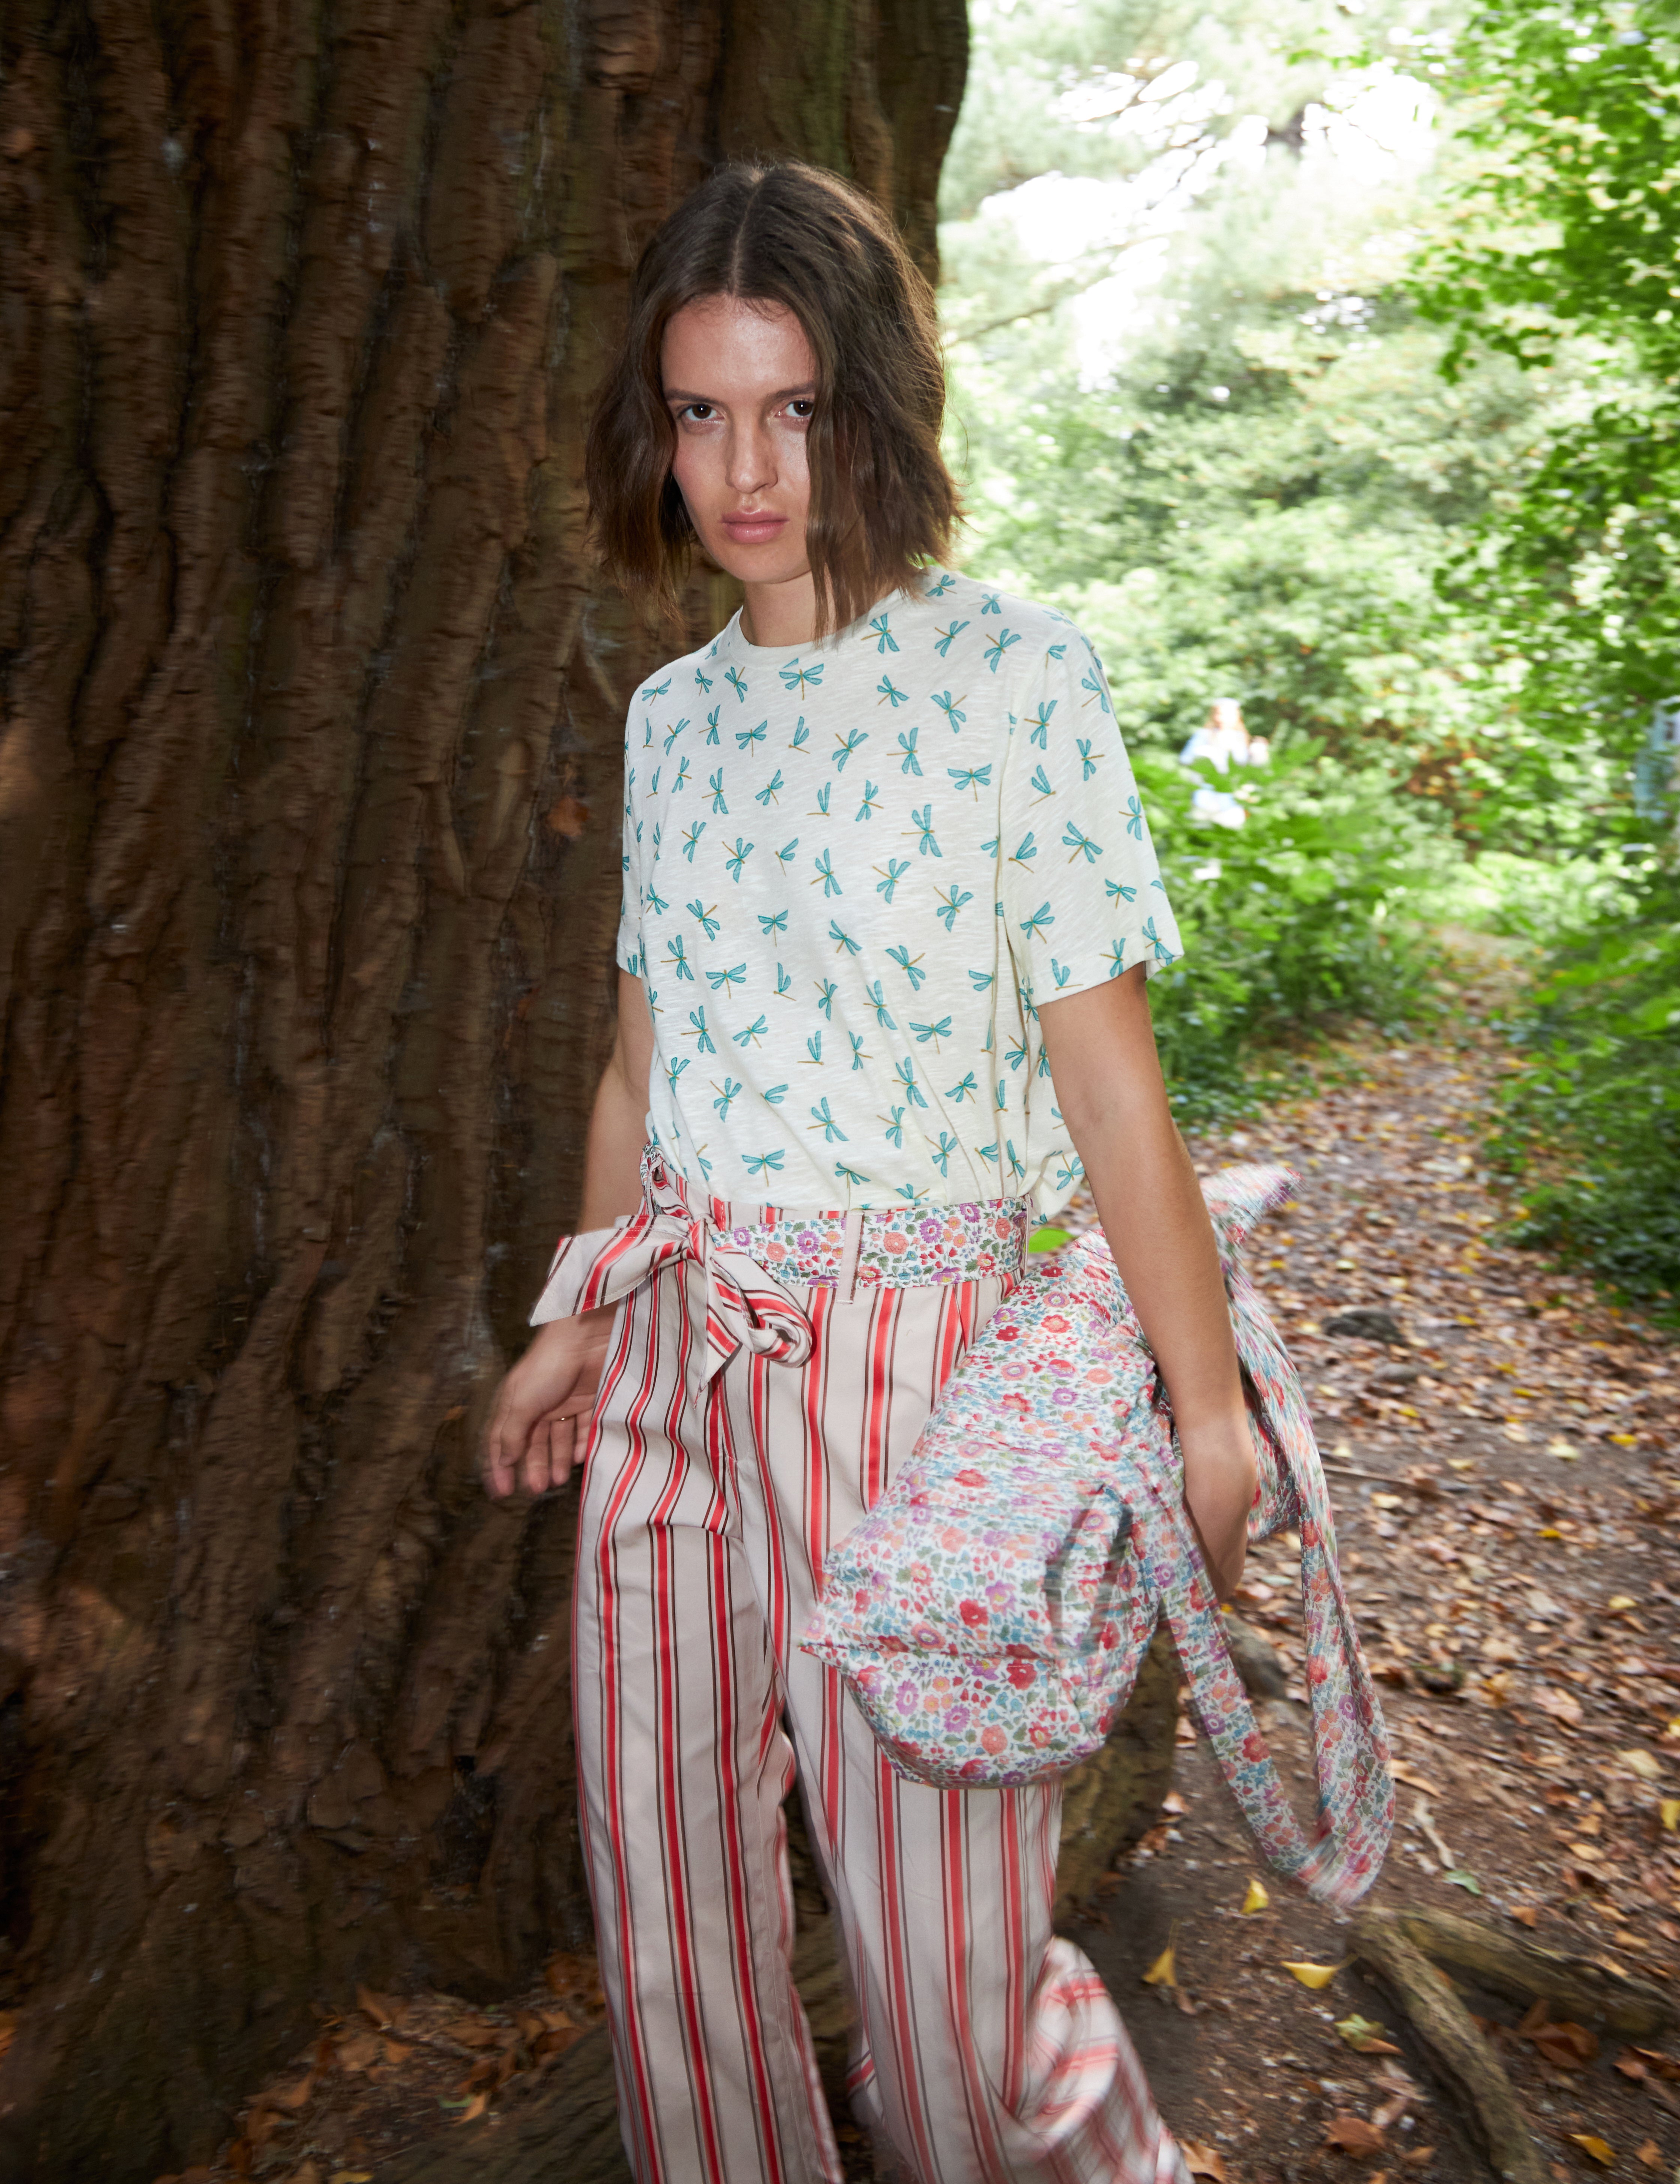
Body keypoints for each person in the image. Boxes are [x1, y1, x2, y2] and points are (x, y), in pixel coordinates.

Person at [482, 161, 1257, 2184]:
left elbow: (1110, 1093)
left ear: (876, 409)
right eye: (702, 410)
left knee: (947, 2012)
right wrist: (574, 1320)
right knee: (672, 1944)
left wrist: (1204, 1410)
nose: (745, 468)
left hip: (919, 1389)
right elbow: (646, 1066)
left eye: (793, 406)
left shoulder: (1017, 683)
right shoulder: (672, 721)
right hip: (671, 1358)